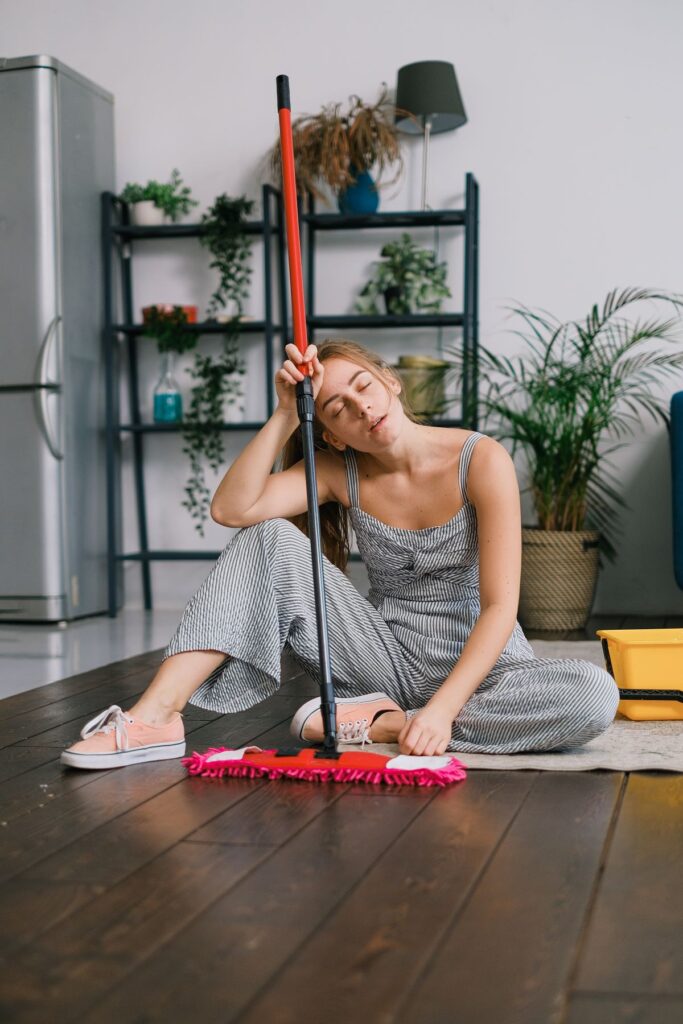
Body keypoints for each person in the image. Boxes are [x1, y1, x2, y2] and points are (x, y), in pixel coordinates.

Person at [61, 338, 619, 769]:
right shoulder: (336, 471)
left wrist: (445, 709)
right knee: (271, 537)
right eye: (337, 408)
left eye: (363, 386)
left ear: (391, 382)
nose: (360, 407)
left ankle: (377, 725)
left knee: (594, 694)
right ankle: (155, 717)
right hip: (386, 660)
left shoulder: (481, 458)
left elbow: (501, 607)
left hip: (489, 675)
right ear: (330, 435)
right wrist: (284, 412)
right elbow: (233, 510)